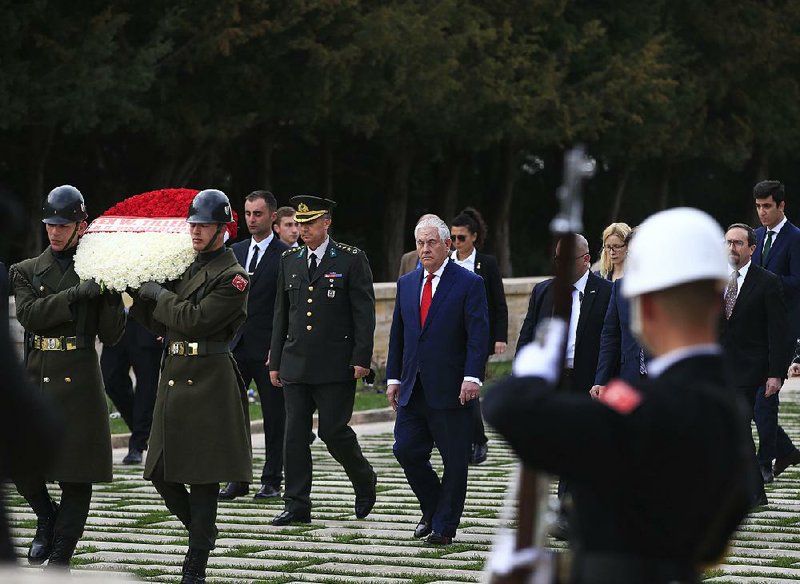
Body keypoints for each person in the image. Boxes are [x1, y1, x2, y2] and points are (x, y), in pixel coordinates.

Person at [485, 208, 757, 584]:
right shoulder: (728, 408)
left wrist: (531, 374)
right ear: (716, 300)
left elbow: (506, 407)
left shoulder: (646, 411)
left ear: (642, 308)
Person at [129, 189, 252, 583]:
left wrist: (158, 294)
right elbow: (163, 324)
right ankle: (204, 532)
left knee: (203, 477)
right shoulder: (185, 265)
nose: (196, 232)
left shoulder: (234, 277)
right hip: (175, 372)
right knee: (160, 472)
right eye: (193, 225)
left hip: (208, 379)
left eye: (204, 226)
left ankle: (196, 559)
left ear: (222, 229)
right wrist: (138, 290)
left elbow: (195, 320)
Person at [10, 185, 125, 569]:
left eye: (64, 225)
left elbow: (111, 335)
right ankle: (46, 517)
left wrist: (109, 292)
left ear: (81, 226)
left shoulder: (96, 269)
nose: (55, 232)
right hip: (39, 373)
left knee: (78, 475)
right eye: (50, 225)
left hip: (80, 375)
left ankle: (62, 556)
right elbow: (32, 316)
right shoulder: (25, 270)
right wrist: (77, 293)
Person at [269, 195, 377, 526]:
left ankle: (363, 479)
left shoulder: (349, 259)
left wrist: (362, 357)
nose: (303, 230)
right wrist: (275, 360)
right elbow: (281, 314)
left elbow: (364, 312)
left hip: (335, 364)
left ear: (326, 222)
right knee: (294, 434)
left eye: (310, 223)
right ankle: (297, 503)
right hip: (296, 362)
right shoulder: (289, 259)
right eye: (299, 224)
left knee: (333, 431)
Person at [387, 215, 489, 545]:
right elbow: (398, 336)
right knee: (405, 449)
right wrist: (392, 378)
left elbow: (477, 336)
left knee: (454, 460)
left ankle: (444, 525)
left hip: (452, 389)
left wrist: (472, 376)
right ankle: (432, 506)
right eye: (420, 243)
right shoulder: (407, 283)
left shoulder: (469, 283)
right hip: (413, 387)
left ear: (447, 245)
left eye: (432, 242)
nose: (425, 249)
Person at [219, 190, 288, 501]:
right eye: (247, 213)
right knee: (232, 415)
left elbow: (288, 306)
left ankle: (272, 478)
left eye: (257, 214)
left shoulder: (286, 255)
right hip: (236, 345)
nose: (251, 219)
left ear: (272, 216)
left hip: (268, 348)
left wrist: (281, 346)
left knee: (274, 416)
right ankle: (237, 477)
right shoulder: (235, 251)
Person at [719, 223, 786, 492]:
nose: (731, 248)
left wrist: (775, 372)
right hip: (718, 367)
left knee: (739, 425)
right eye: (728, 242)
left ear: (752, 248)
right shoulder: (714, 279)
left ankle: (753, 490)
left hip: (749, 369)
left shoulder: (768, 282)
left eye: (737, 243)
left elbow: (778, 331)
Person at [449, 207, 508, 465]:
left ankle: (479, 440)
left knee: (470, 387)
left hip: (477, 337)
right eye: (452, 237)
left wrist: (500, 337)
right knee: (453, 389)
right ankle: (461, 439)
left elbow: (499, 303)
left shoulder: (487, 264)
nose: (456, 243)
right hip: (450, 336)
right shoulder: (447, 262)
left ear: (473, 236)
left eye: (461, 238)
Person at [751, 180, 800, 477]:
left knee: (765, 398)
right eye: (758, 206)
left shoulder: (795, 238)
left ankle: (764, 462)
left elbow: (797, 280)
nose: (762, 212)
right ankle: (784, 451)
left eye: (767, 206)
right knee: (755, 399)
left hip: (780, 329)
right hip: (753, 329)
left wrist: (767, 285)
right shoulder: (754, 236)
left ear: (781, 205)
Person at [100, 314, 163, 465]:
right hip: (116, 325)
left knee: (146, 387)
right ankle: (141, 430)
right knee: (111, 380)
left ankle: (137, 444)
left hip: (147, 324)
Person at [591, 228, 646, 391]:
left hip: (663, 378)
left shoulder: (670, 286)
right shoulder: (620, 287)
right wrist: (601, 379)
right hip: (630, 376)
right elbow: (610, 336)